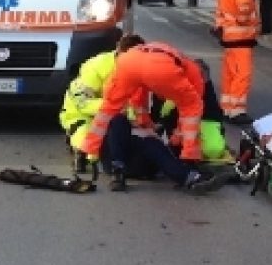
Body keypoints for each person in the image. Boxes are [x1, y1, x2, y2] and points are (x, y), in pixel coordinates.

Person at [80, 41, 206, 191]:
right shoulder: (192, 72)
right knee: (192, 106)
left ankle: (93, 152)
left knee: (111, 111)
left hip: (129, 62)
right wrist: (181, 145)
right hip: (122, 154)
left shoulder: (132, 63)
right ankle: (189, 167)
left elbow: (136, 100)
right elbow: (190, 114)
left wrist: (147, 127)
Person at [59, 33, 144, 165]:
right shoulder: (97, 66)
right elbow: (82, 102)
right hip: (81, 112)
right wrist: (117, 109)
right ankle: (80, 153)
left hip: (114, 113)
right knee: (86, 139)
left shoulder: (139, 68)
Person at [100, 113, 229, 194]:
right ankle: (118, 173)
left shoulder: (168, 97)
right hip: (116, 152)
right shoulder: (118, 82)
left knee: (151, 143)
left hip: (146, 158)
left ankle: (189, 178)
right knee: (118, 119)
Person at [214, 0, 259, 125]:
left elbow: (220, 10)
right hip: (241, 35)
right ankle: (237, 111)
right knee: (243, 73)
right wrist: (246, 21)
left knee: (230, 73)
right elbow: (245, 7)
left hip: (228, 35)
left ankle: (227, 107)